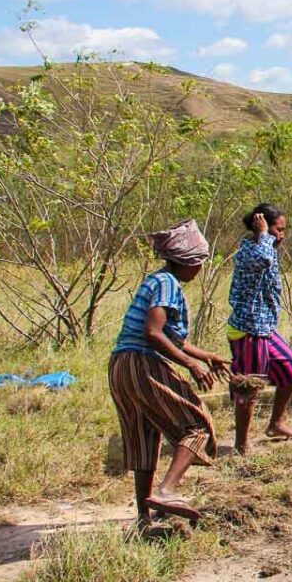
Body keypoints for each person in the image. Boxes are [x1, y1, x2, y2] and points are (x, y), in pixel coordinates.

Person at [109, 219, 230, 524]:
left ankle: (143, 517)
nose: (200, 269)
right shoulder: (167, 284)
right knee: (197, 425)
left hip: (121, 365)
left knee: (143, 437)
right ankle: (166, 490)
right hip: (142, 362)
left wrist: (206, 356)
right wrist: (191, 365)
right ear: (189, 261)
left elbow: (173, 337)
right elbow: (153, 332)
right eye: (200, 262)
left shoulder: (157, 280)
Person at [227, 203, 292, 455]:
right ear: (262, 226)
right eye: (277, 230)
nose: (281, 235)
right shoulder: (250, 249)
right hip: (249, 329)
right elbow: (260, 260)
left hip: (265, 328)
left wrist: (267, 237)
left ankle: (276, 423)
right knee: (249, 387)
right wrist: (263, 235)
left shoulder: (266, 247)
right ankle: (241, 443)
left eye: (283, 230)